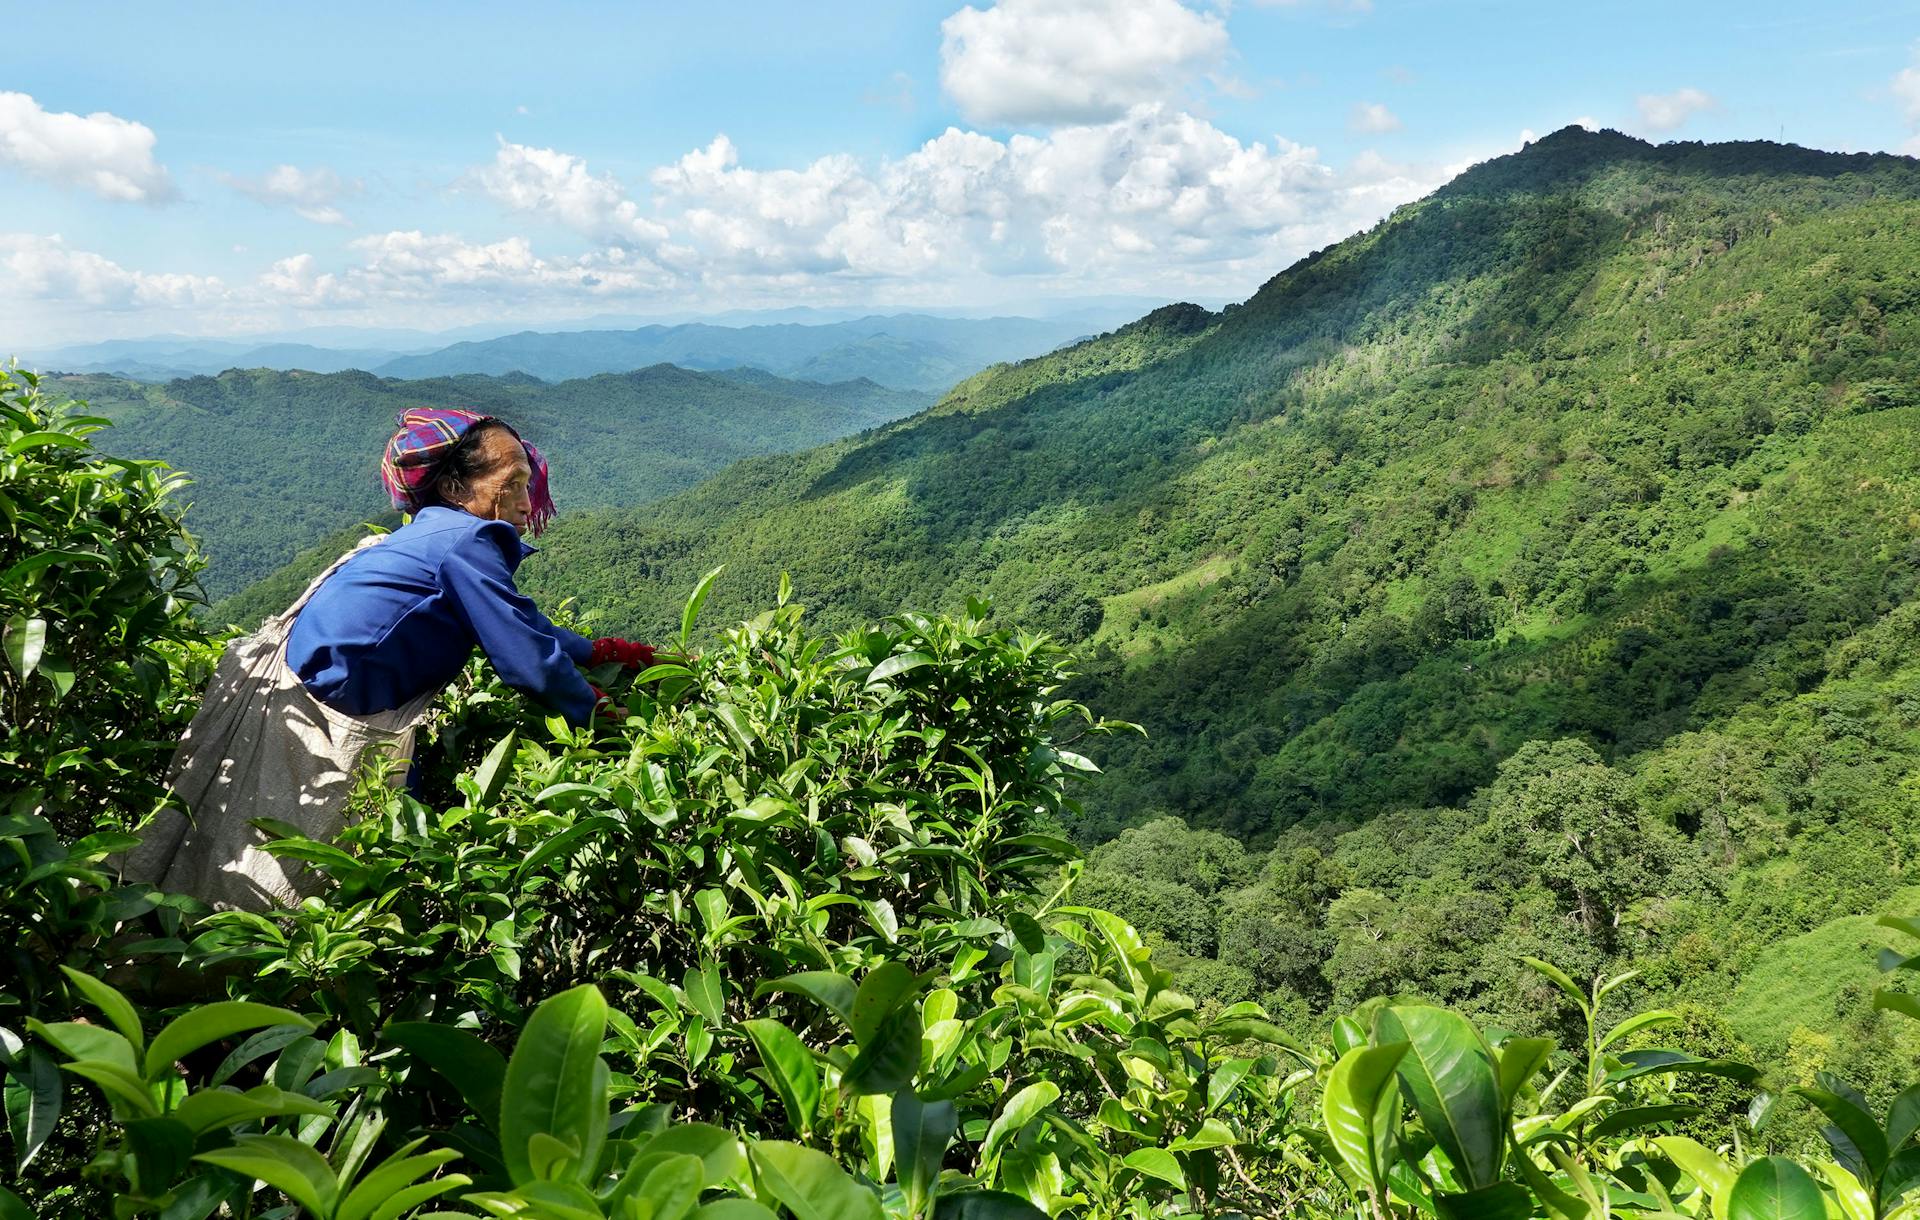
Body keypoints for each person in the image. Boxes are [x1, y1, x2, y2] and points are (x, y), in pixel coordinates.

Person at [122, 408, 653, 911]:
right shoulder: (467, 542)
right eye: (511, 483)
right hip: (315, 734)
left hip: (309, 699)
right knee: (274, 884)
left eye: (526, 483)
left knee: (220, 845)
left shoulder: (435, 533)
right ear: (453, 488)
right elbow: (530, 667)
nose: (525, 499)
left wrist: (602, 652)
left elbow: (518, 624)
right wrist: (616, 726)